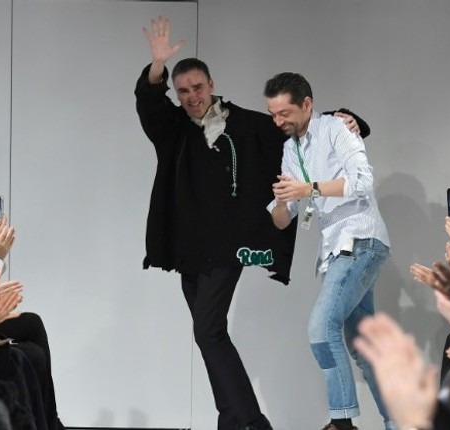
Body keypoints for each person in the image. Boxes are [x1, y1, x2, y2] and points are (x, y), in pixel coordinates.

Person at [135, 17, 367, 430]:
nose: (191, 97)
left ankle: (253, 423)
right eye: (183, 90)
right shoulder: (172, 130)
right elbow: (148, 103)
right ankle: (231, 418)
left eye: (197, 88)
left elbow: (293, 127)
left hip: (228, 249)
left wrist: (345, 120)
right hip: (188, 250)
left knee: (207, 332)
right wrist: (156, 68)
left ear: (211, 85)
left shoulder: (244, 124)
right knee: (210, 334)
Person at [264, 72, 392, 430]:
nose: (279, 121)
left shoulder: (336, 129)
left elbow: (363, 183)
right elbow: (282, 219)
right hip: (337, 249)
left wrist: (310, 188)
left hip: (360, 241)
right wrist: (280, 201)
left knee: (322, 330)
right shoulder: (291, 149)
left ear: (307, 104)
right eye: (273, 114)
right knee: (365, 351)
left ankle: (342, 422)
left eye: (285, 113)